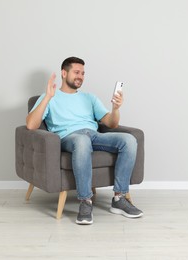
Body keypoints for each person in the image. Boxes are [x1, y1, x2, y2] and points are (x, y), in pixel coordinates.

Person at [26, 56, 143, 225]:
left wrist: (115, 109)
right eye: (76, 72)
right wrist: (47, 98)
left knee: (129, 140)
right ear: (64, 73)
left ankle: (119, 198)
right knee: (82, 141)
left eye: (83, 73)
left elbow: (111, 123)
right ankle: (85, 201)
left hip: (94, 135)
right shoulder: (50, 96)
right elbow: (31, 125)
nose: (80, 76)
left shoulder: (90, 98)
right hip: (69, 137)